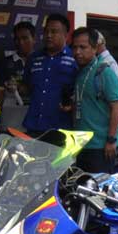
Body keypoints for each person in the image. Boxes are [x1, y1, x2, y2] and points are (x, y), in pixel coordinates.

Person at [69, 26, 118, 174]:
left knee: (100, 193)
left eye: (83, 47)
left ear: (94, 48)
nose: (77, 52)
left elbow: (116, 107)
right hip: (80, 146)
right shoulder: (80, 72)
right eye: (74, 47)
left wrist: (111, 141)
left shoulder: (104, 72)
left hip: (100, 147)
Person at [22, 13, 78, 142]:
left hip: (61, 128)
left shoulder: (75, 58)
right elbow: (26, 87)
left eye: (54, 32)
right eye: (46, 31)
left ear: (65, 35)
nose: (48, 35)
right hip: (34, 126)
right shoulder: (33, 58)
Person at [0, 20, 34, 128]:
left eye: (25, 38)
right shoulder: (4, 63)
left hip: (35, 121)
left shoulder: (42, 62)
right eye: (17, 39)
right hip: (10, 121)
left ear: (34, 39)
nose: (20, 42)